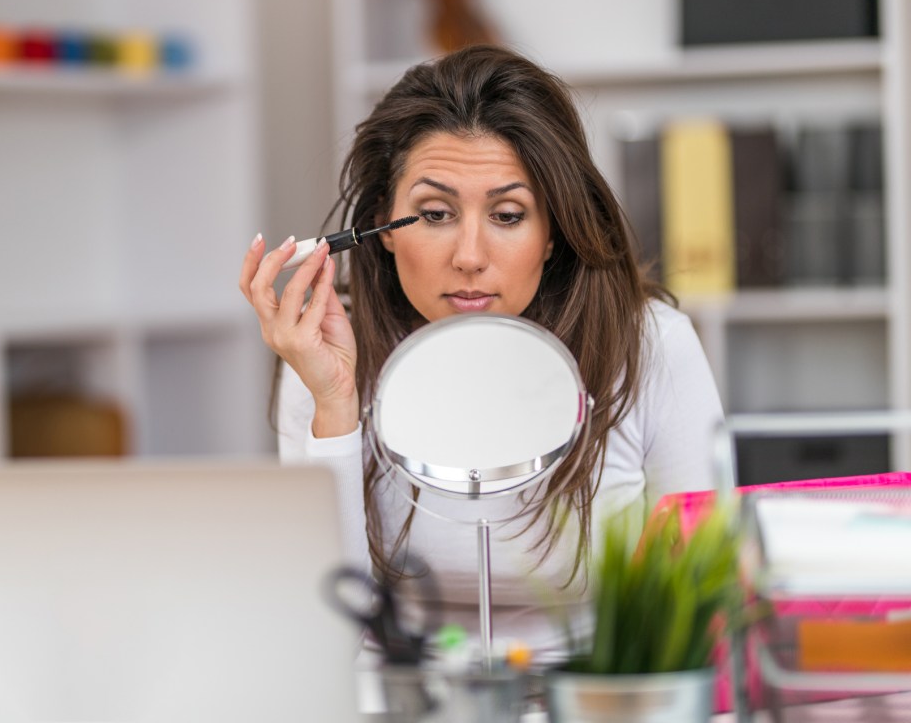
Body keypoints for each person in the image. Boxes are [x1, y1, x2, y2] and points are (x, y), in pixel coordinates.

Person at [238, 44, 724, 656]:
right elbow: (333, 634)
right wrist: (334, 407)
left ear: (554, 233)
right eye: (435, 213)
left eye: (509, 215)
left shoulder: (650, 345)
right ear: (384, 227)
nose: (469, 255)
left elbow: (706, 599)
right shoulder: (322, 354)